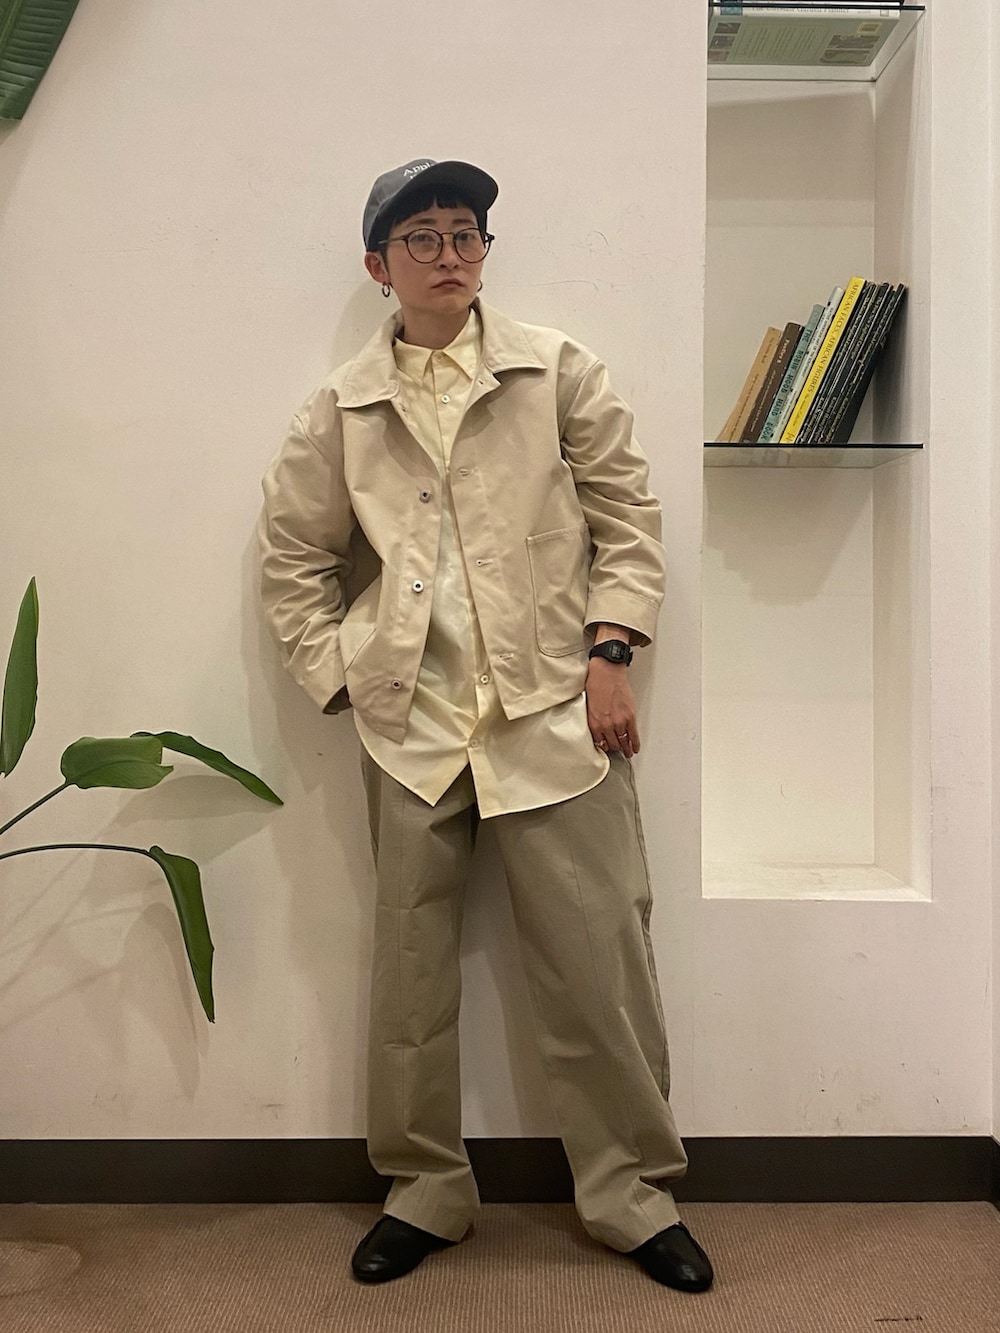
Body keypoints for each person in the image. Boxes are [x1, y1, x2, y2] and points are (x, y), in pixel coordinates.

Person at [257, 158, 714, 1293]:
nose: (450, 255)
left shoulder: (557, 371)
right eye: (422, 237)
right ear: (380, 264)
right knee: (409, 974)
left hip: (553, 711)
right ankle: (423, 1189)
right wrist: (341, 677)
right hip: (410, 723)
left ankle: (632, 1193)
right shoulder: (341, 408)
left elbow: (629, 519)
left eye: (467, 233)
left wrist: (611, 654)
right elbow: (294, 558)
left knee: (599, 961)